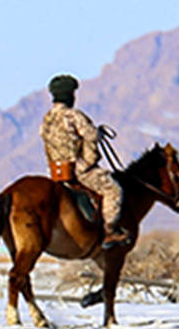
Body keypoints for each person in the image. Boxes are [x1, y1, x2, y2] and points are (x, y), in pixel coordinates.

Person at [40, 73, 127, 250]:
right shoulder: (73, 116)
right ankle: (110, 231)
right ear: (69, 95)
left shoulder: (46, 119)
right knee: (114, 190)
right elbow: (91, 136)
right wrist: (91, 155)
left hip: (56, 170)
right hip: (78, 170)